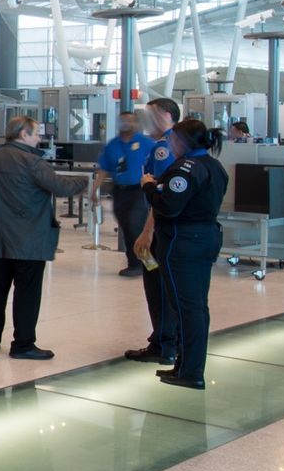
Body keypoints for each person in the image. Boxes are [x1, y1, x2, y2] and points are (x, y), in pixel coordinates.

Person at [0, 115, 76, 359]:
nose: (40, 138)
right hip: (29, 240)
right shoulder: (33, 162)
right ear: (23, 134)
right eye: (36, 133)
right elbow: (61, 187)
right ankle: (23, 344)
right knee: (27, 292)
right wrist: (85, 184)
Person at [145, 118, 230, 389]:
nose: (169, 143)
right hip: (206, 237)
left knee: (185, 307)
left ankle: (191, 371)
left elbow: (168, 206)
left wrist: (148, 186)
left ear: (181, 141)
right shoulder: (214, 166)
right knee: (195, 305)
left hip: (182, 241)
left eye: (172, 139)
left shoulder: (183, 169)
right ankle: (185, 365)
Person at [124, 97, 183, 364]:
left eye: (151, 115)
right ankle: (170, 341)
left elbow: (159, 197)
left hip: (161, 229)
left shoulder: (163, 149)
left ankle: (163, 343)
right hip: (175, 229)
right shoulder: (173, 145)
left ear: (167, 116)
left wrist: (147, 232)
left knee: (158, 286)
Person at [89, 111, 150, 277]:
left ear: (136, 124)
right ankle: (139, 263)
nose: (126, 124)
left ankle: (143, 264)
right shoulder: (113, 144)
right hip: (120, 191)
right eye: (123, 120)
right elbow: (104, 168)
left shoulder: (146, 143)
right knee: (126, 227)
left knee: (135, 227)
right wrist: (95, 189)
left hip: (139, 191)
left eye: (130, 121)